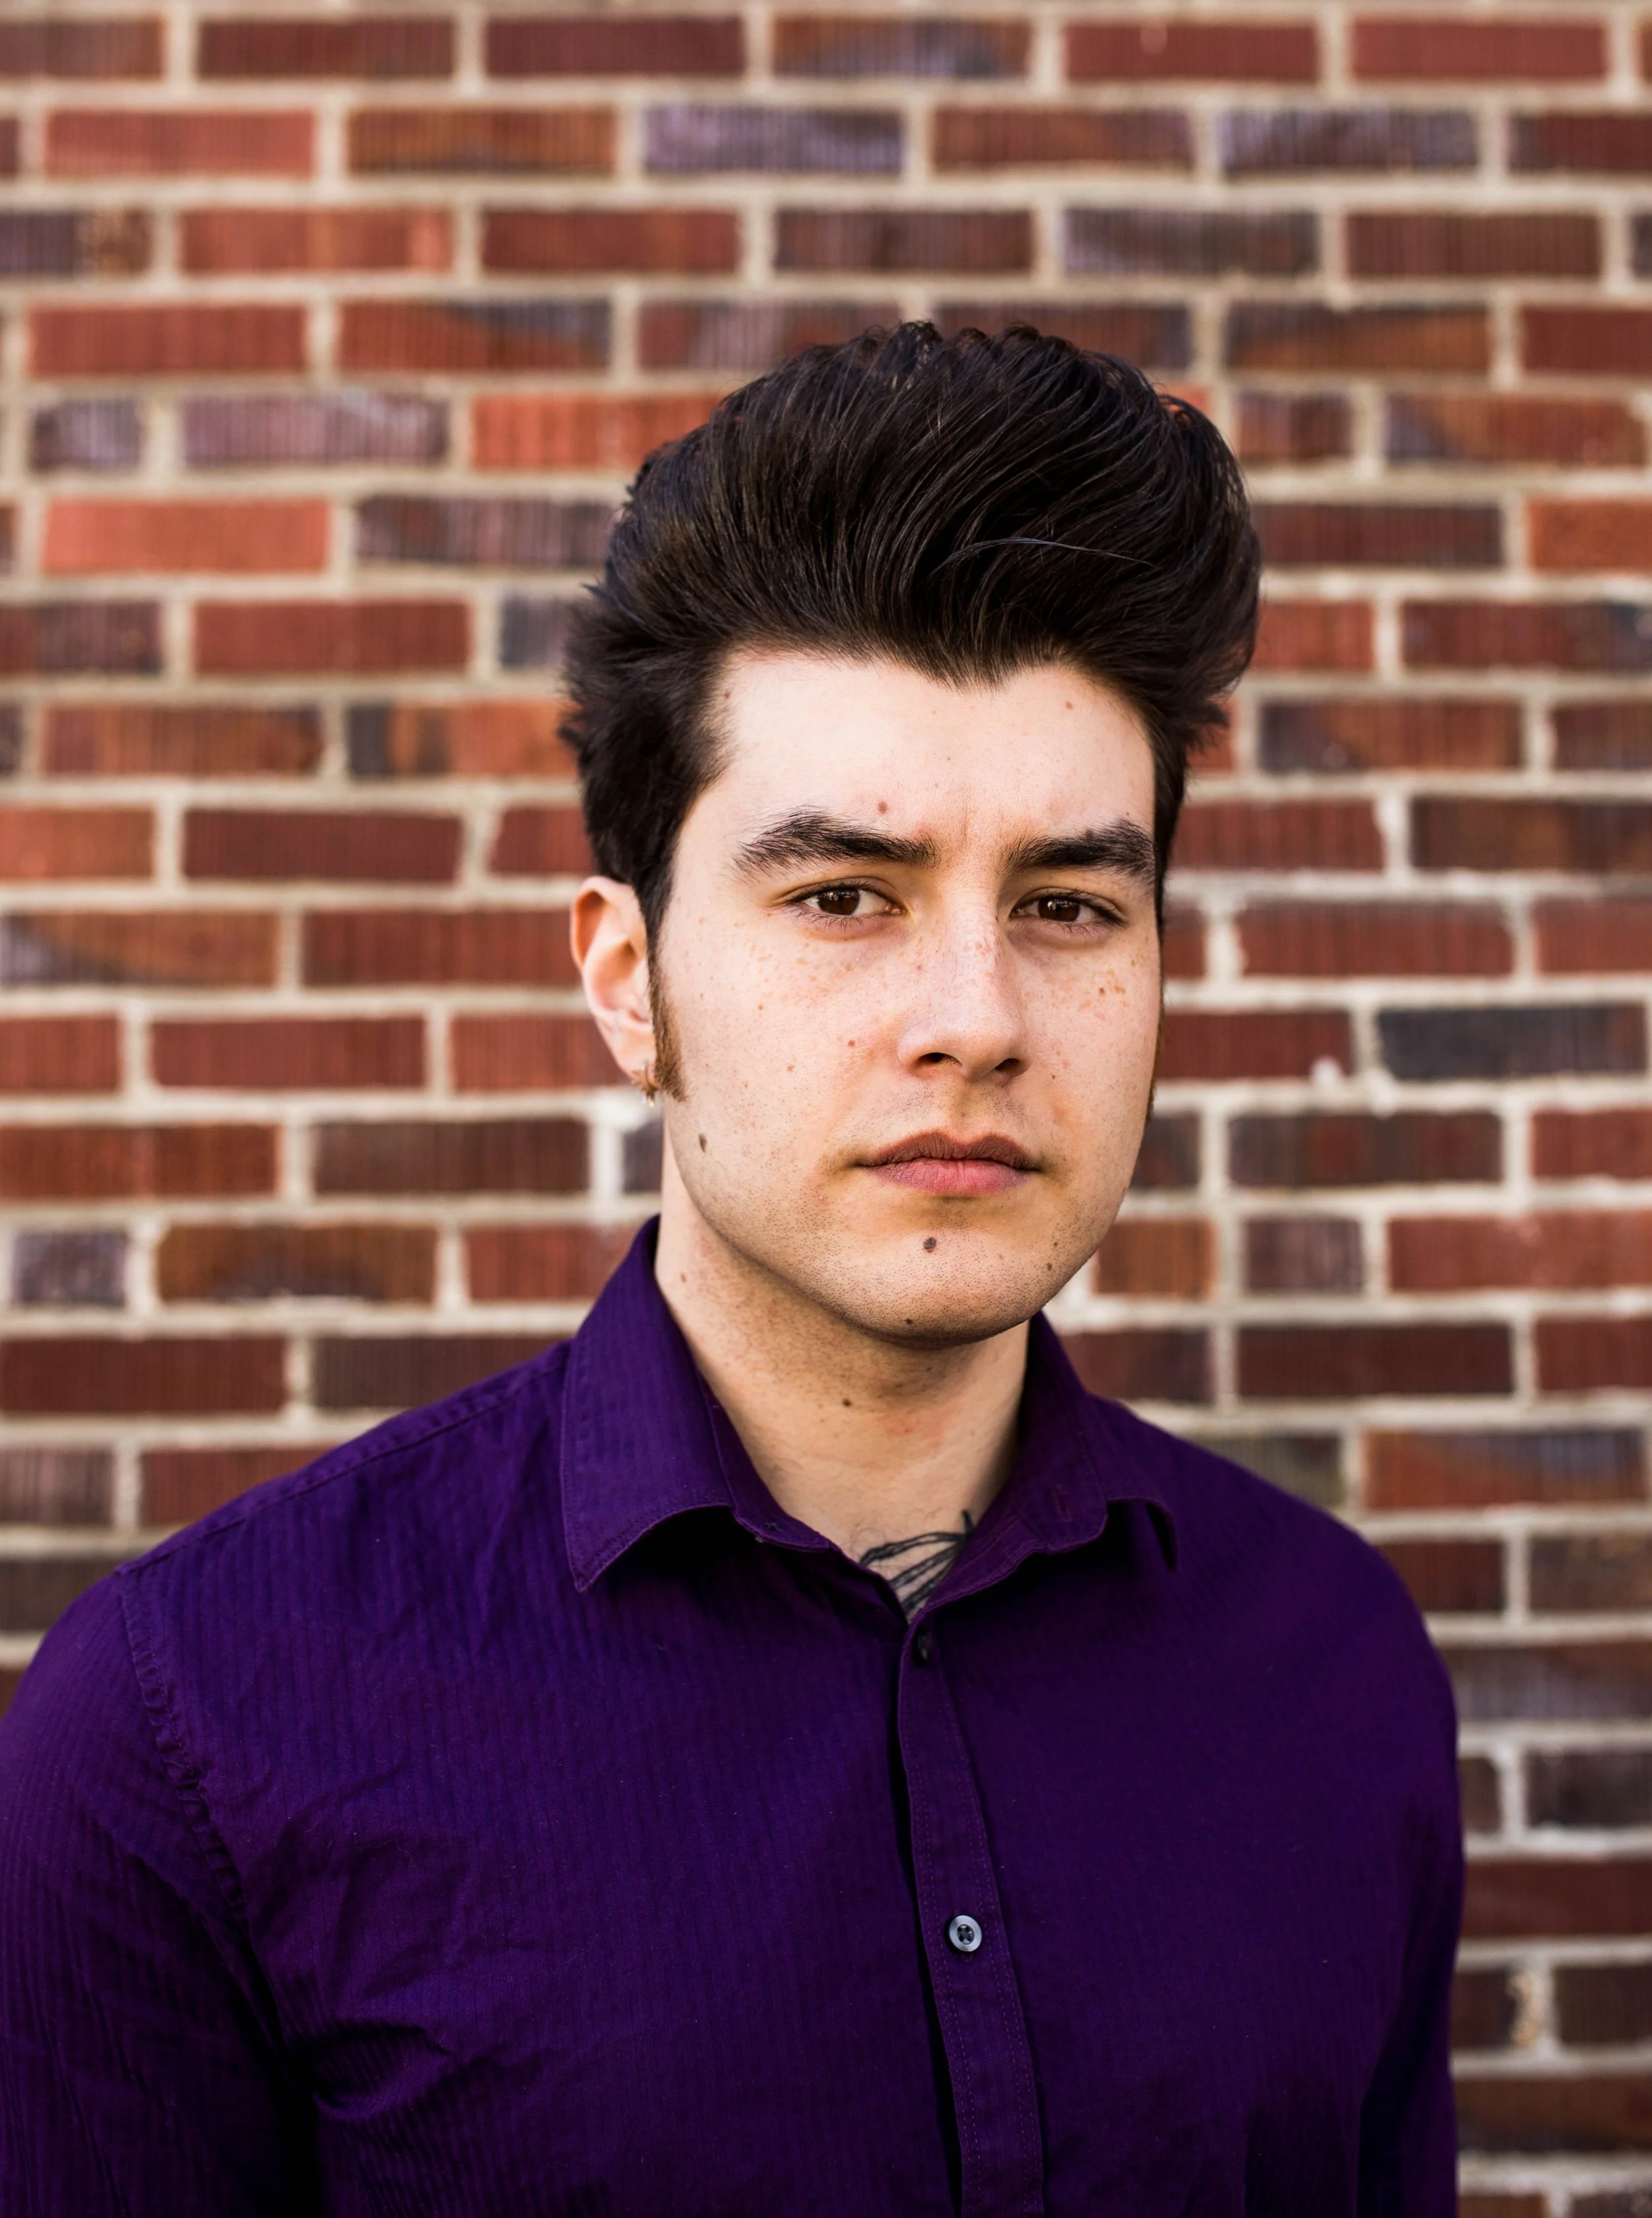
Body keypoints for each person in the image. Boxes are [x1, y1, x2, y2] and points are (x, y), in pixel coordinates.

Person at [0, 325, 1460, 2215]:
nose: (974, 1016)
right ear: (629, 979)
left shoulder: (1331, 1666)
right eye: (842, 895)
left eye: (1067, 903)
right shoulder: (192, 1717)